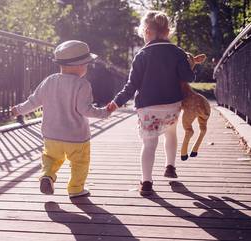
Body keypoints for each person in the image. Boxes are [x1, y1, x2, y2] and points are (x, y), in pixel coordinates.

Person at [107, 11, 195, 196]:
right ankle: (170, 167)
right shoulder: (178, 52)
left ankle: (146, 182)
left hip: (148, 107)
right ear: (167, 31)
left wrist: (116, 102)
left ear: (147, 31)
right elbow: (188, 77)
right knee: (170, 133)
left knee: (149, 143)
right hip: (172, 104)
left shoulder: (142, 55)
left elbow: (132, 85)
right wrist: (189, 63)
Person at [12, 40, 111, 198]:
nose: (87, 68)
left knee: (50, 158)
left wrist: (19, 110)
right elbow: (85, 110)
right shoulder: (82, 85)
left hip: (51, 135)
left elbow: (33, 101)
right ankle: (76, 189)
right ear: (79, 66)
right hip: (77, 137)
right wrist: (105, 112)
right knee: (80, 163)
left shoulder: (49, 81)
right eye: (86, 64)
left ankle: (47, 176)